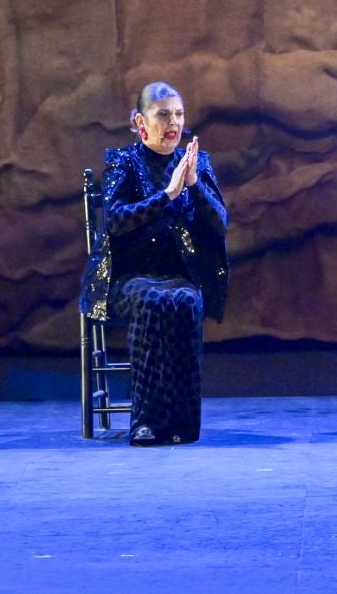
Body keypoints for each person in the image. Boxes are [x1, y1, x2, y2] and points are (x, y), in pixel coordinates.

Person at [80, 81, 229, 446]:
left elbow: (219, 223)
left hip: (179, 278)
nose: (172, 123)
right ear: (140, 122)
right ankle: (145, 421)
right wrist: (166, 196)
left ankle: (181, 424)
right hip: (128, 279)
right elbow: (115, 221)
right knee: (153, 301)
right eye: (163, 115)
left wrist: (193, 184)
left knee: (185, 301)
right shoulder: (124, 162)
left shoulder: (195, 162)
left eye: (178, 114)